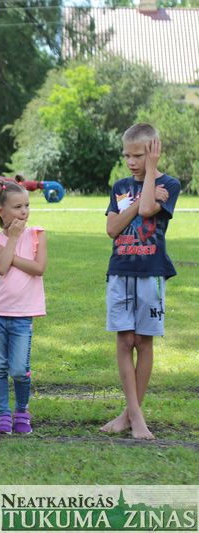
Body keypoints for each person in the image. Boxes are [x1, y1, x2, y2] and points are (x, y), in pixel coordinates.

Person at [100, 123, 180, 440]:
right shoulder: (120, 187)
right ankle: (134, 415)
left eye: (138, 156)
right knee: (125, 341)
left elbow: (149, 209)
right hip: (120, 271)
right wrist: (135, 203)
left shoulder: (169, 185)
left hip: (151, 273)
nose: (131, 162)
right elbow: (112, 229)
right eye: (127, 156)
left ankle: (129, 415)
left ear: (153, 151)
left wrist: (151, 174)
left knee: (143, 342)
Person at [0, 178, 47, 435]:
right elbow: (1, 268)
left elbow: (38, 268)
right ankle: (3, 415)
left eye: (27, 206)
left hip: (22, 315)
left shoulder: (37, 235)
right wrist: (11, 240)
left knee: (20, 369)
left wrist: (10, 255)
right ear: (1, 211)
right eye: (18, 207)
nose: (24, 212)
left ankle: (22, 410)